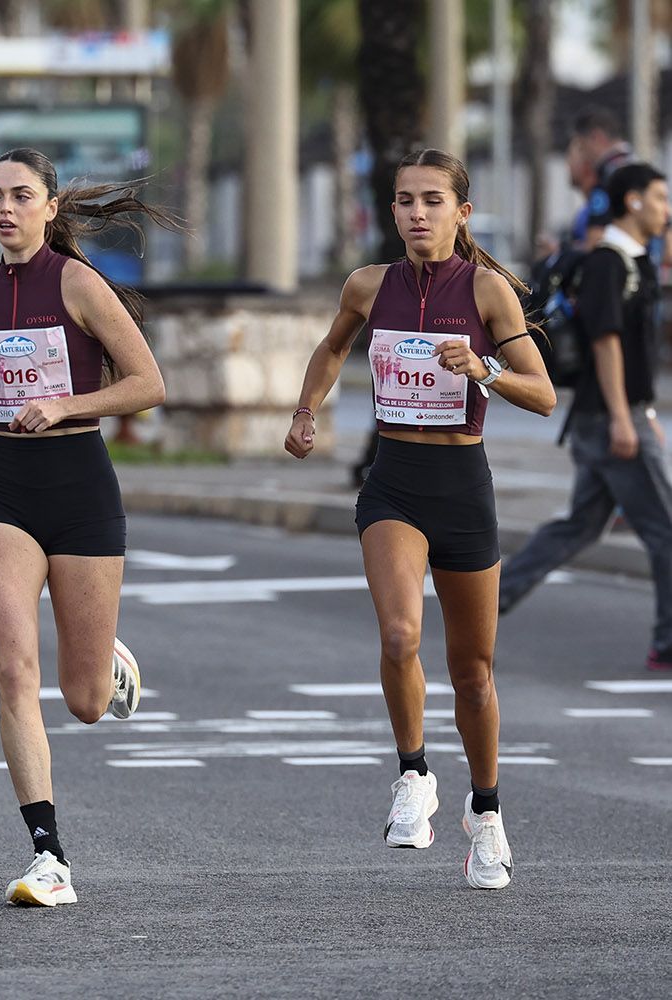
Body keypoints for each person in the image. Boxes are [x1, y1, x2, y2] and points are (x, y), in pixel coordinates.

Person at [285, 148, 556, 890]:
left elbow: (544, 394)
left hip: (463, 487)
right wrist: (306, 412)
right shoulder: (369, 285)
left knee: (473, 674)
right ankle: (413, 775)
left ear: (460, 213)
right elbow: (333, 344)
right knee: (401, 633)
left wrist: (485, 370)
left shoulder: (489, 292)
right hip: (394, 485)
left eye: (433, 200)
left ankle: (488, 814)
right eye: (405, 200)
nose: (417, 213)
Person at [0, 148, 167, 908]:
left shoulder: (81, 286)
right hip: (6, 493)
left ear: (50, 207)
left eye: (22, 196)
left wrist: (66, 404)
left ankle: (106, 660)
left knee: (85, 700)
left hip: (80, 488)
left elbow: (148, 384)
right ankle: (47, 854)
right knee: (13, 670)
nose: (6, 210)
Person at [500, 164, 672, 672]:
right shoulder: (609, 264)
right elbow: (606, 343)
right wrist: (627, 417)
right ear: (634, 202)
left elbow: (633, 353)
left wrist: (645, 411)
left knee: (580, 526)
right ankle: (667, 642)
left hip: (613, 415)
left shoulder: (632, 261)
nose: (668, 210)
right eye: (661, 198)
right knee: (665, 532)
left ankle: (492, 600)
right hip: (609, 419)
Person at [569, 107, 638, 250]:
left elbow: (595, 241)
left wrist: (566, 254)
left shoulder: (609, 177)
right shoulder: (640, 169)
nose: (584, 156)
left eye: (582, 147)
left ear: (597, 137)